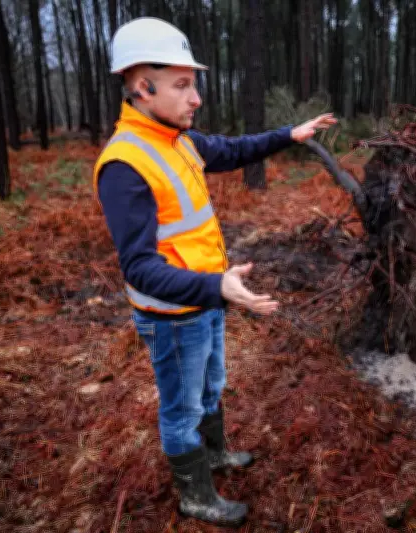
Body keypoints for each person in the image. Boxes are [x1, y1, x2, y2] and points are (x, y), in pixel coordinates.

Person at [92, 17, 337, 527]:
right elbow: (139, 269)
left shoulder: (178, 140)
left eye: (194, 83)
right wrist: (216, 286)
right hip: (174, 314)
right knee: (181, 409)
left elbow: (233, 149)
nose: (196, 97)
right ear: (142, 87)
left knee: (211, 386)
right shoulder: (125, 164)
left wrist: (290, 134)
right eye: (182, 85)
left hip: (206, 300)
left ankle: (216, 455)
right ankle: (196, 496)